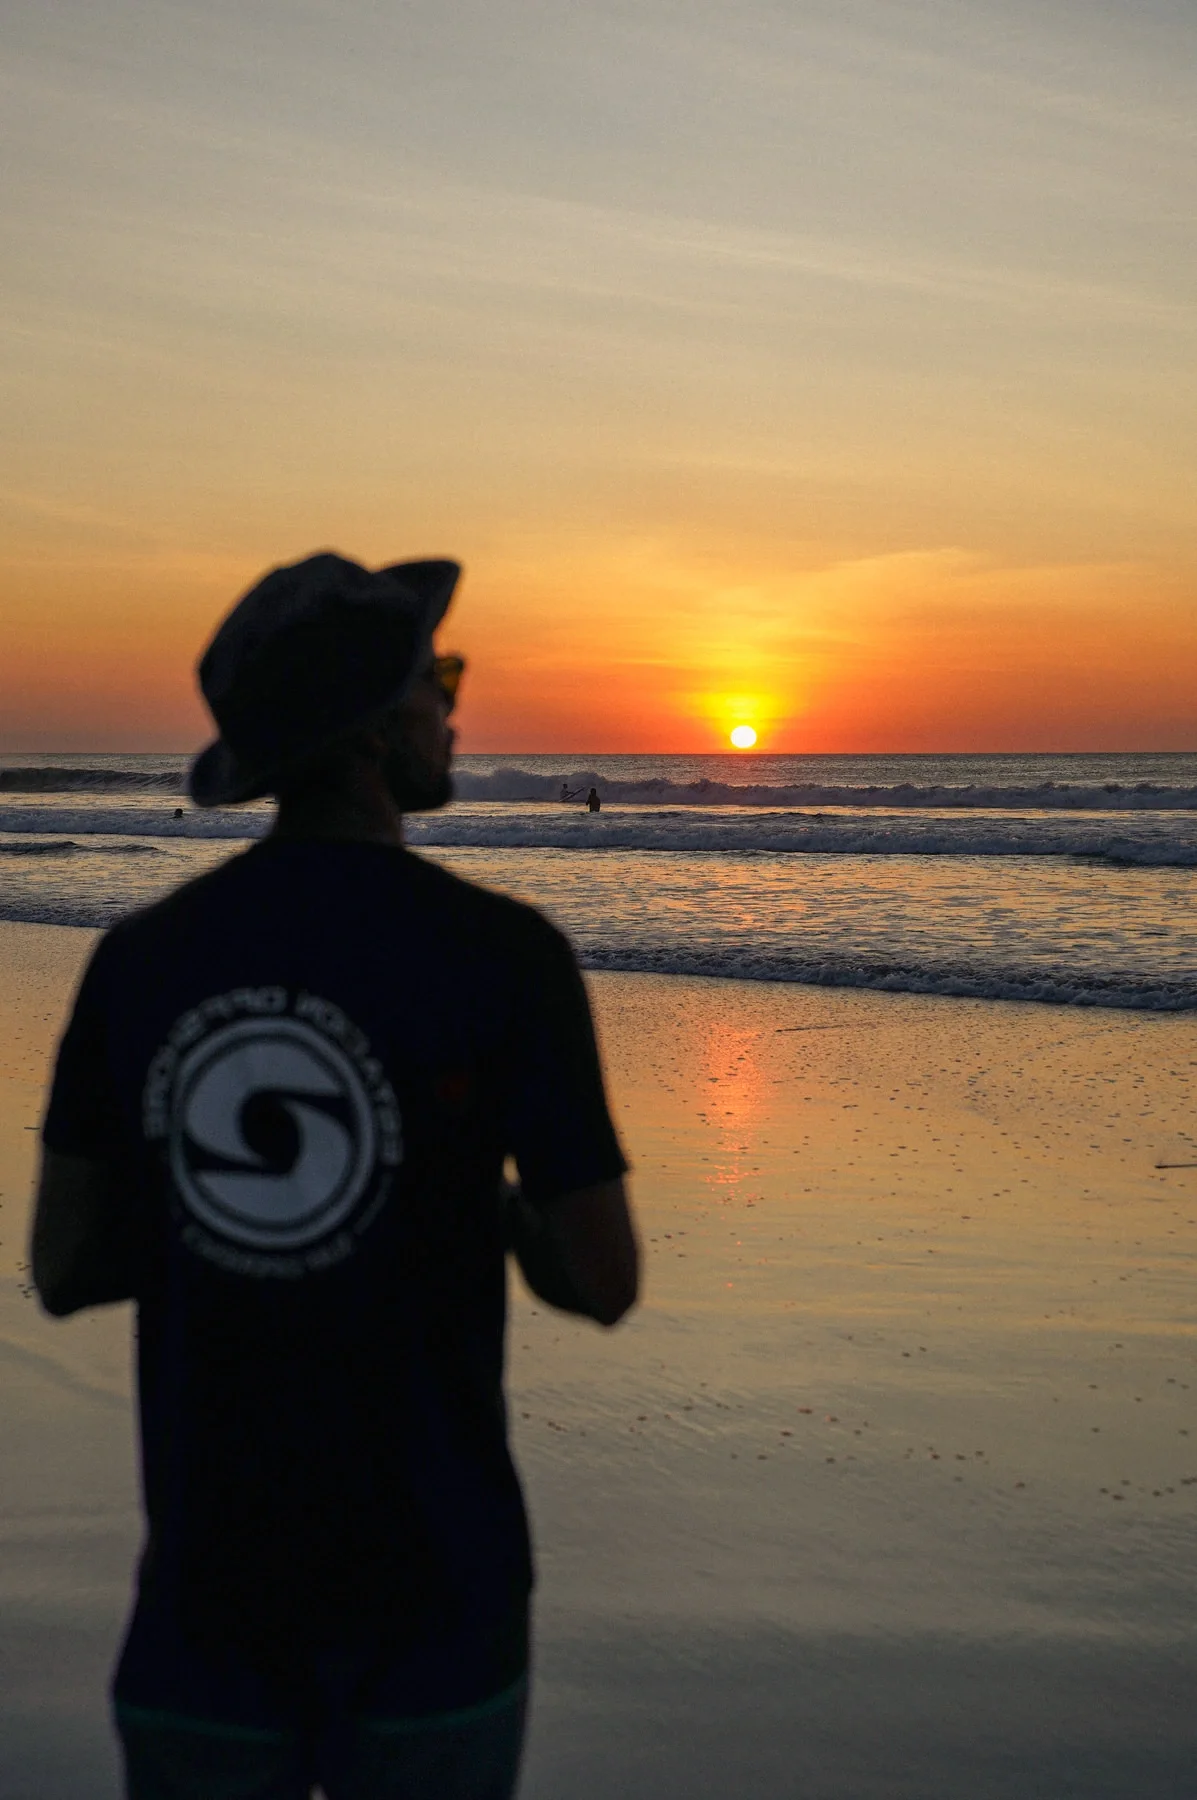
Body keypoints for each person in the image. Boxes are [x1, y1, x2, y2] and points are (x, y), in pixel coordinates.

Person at [31, 551, 639, 1800]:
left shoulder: (139, 962)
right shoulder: (503, 957)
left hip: (210, 1604)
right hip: (437, 1601)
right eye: (436, 678)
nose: (454, 705)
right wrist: (478, 1203)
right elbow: (601, 1278)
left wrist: (225, 1205)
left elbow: (65, 1265)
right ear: (372, 730)